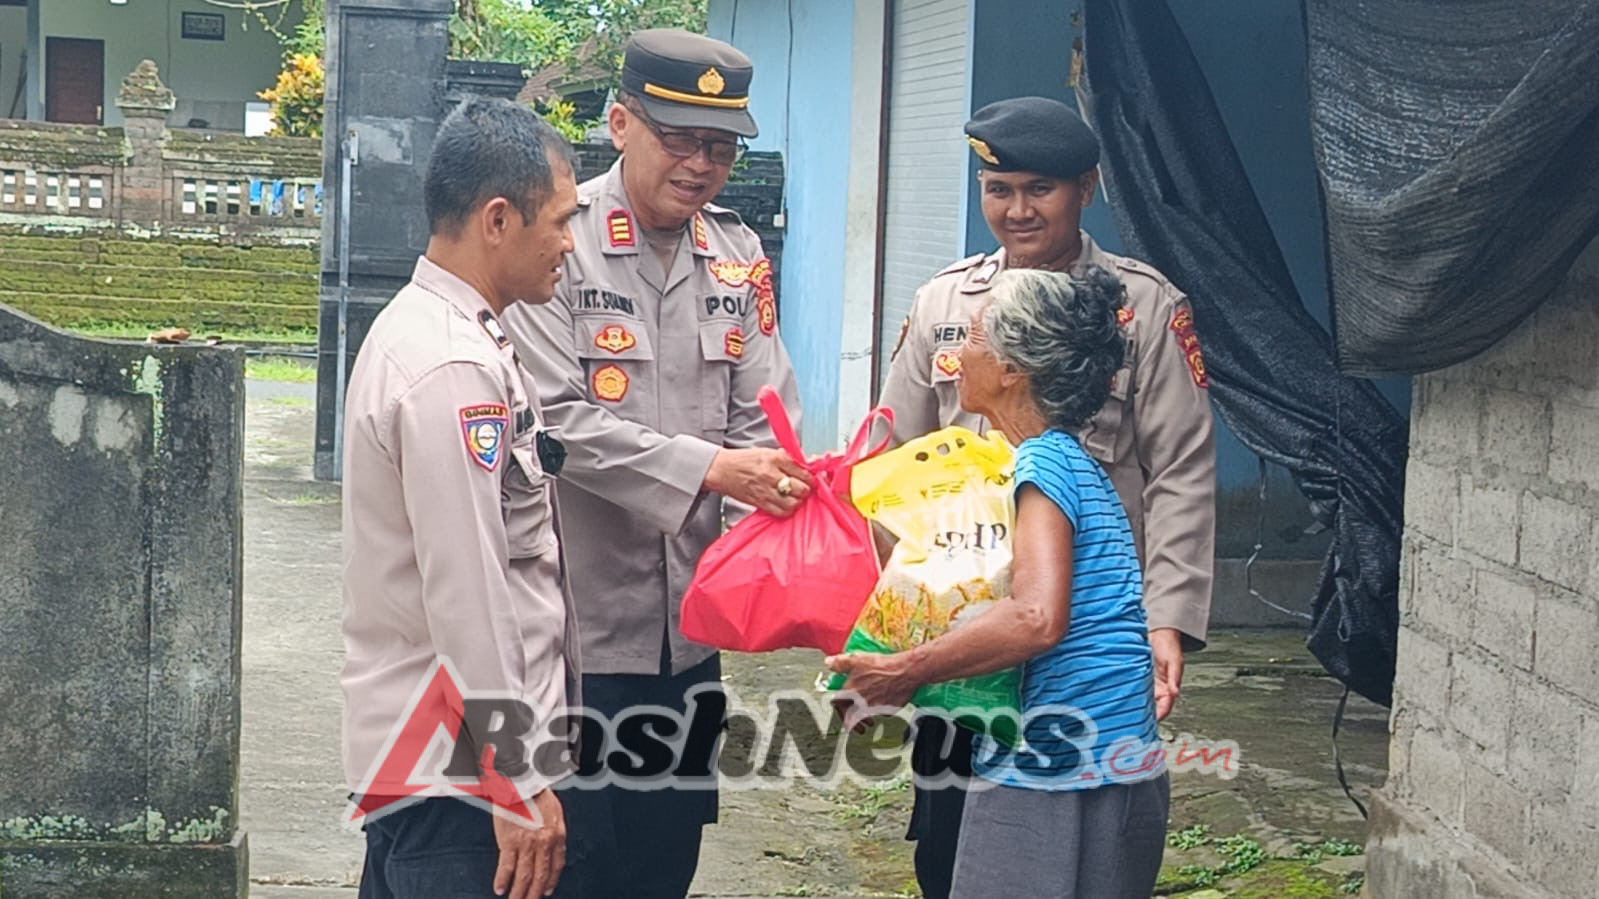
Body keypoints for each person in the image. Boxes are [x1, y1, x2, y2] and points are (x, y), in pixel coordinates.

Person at [875, 95, 1215, 898]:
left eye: (1039, 190)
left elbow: (1180, 471)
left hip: (1081, 625)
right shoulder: (945, 303)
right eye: (998, 190)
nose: (1016, 210)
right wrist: (899, 615)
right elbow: (895, 454)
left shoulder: (1143, 305)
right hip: (964, 628)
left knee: (1077, 825)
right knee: (951, 826)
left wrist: (1166, 619)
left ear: (1086, 188)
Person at [501, 29, 808, 899]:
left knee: (664, 857)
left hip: (691, 634)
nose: (701, 164)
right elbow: (557, 421)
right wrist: (713, 471)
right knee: (570, 863)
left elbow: (763, 416)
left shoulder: (738, 256)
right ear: (620, 122)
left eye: (719, 146)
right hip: (577, 632)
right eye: (680, 138)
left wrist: (771, 534)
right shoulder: (560, 241)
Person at [831, 267, 1171, 899]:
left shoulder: (1042, 463)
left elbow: (1035, 618)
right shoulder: (1070, 461)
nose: (956, 353)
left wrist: (907, 669)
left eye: (976, 337)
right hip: (1112, 755)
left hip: (1059, 768)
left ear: (1014, 367)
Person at [340, 99, 584, 898]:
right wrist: (513, 778)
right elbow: (468, 592)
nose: (568, 245)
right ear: (498, 219)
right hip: (458, 782)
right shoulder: (452, 367)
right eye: (559, 221)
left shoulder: (445, 335)